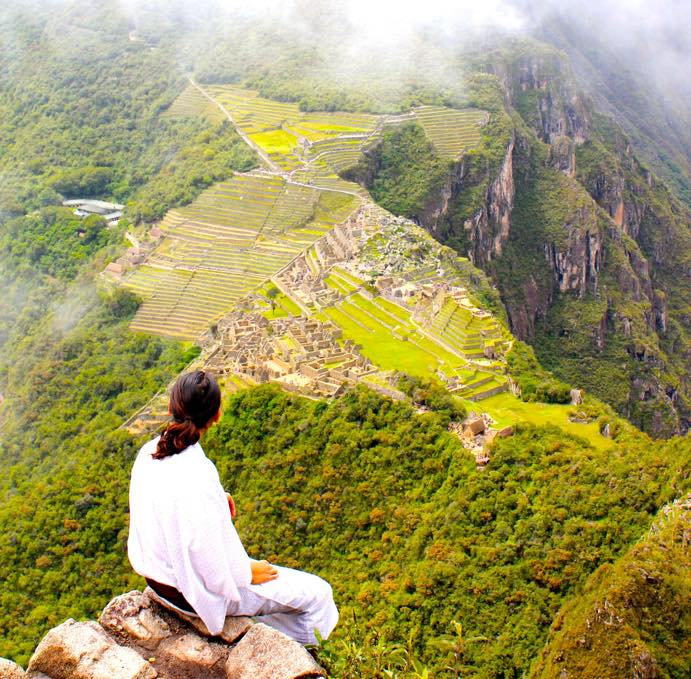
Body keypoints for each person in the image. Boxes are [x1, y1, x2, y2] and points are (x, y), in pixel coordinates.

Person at [127, 370, 338, 645]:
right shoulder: (199, 475)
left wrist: (217, 499)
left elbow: (170, 505)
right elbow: (209, 560)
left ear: (171, 407)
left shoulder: (149, 452)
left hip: (159, 580)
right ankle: (301, 654)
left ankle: (264, 637)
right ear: (217, 415)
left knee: (289, 597)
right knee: (319, 595)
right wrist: (246, 573)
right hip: (190, 593)